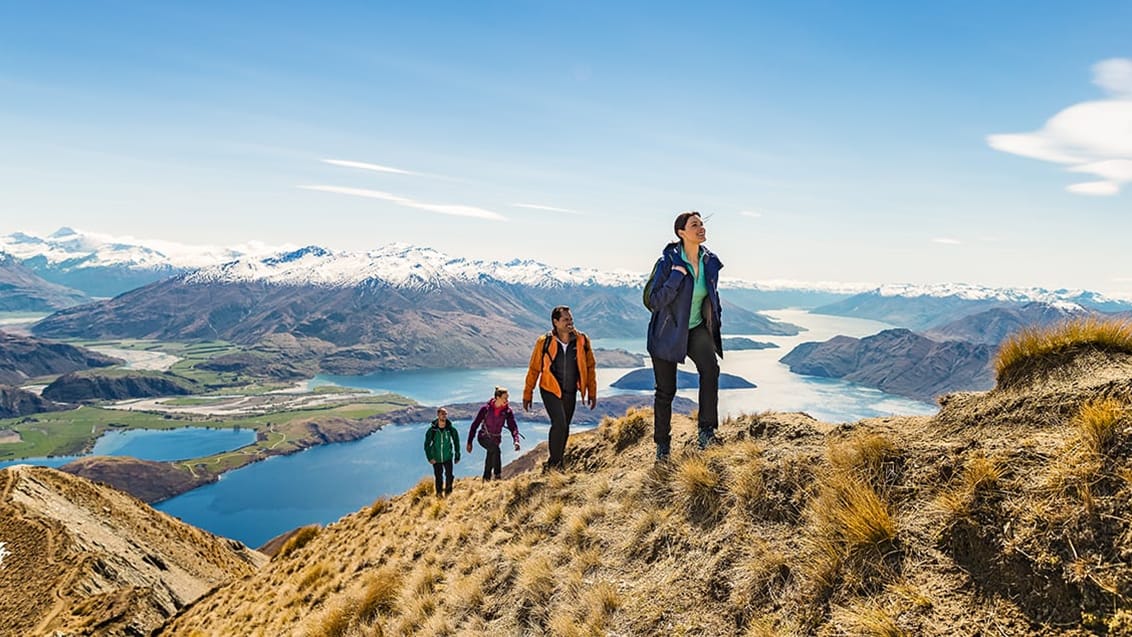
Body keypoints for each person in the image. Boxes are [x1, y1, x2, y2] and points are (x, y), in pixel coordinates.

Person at [645, 210, 724, 460]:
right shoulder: (667, 263)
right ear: (681, 233)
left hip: (695, 327)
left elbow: (710, 295)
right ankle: (662, 445)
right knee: (666, 391)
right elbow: (653, 301)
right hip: (667, 332)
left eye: (702, 224)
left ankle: (706, 431)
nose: (701, 228)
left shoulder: (709, 261)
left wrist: (715, 317)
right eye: (694, 225)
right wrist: (676, 276)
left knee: (710, 370)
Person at [522, 306, 597, 472]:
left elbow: (590, 367)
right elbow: (534, 368)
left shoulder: (581, 340)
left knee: (566, 426)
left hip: (570, 390)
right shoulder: (544, 342)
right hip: (549, 389)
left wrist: (591, 391)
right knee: (559, 424)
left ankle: (558, 461)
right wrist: (528, 393)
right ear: (555, 322)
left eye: (571, 319)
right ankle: (554, 465)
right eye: (566, 320)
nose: (570, 323)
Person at [466, 387, 521, 480]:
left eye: (507, 398)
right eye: (505, 398)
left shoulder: (507, 411)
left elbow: (513, 427)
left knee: (491, 455)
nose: (507, 400)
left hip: (496, 439)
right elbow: (474, 425)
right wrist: (469, 442)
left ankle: (486, 479)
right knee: (496, 450)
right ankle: (497, 476)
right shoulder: (485, 409)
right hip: (483, 437)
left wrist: (516, 440)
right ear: (497, 397)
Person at [424, 407, 460, 497]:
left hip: (448, 456)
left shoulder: (450, 429)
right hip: (436, 458)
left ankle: (448, 493)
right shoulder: (432, 430)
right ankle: (439, 494)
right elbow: (426, 444)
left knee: (449, 476)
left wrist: (457, 454)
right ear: (438, 415)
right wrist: (430, 457)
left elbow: (456, 441)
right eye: (442, 414)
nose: (444, 416)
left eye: (445, 414)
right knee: (438, 477)